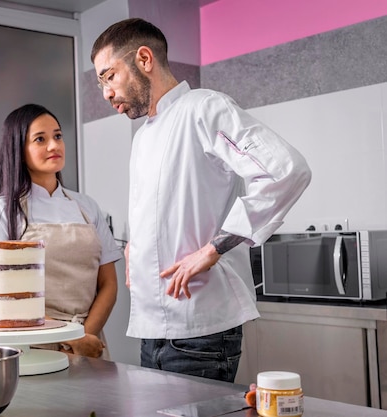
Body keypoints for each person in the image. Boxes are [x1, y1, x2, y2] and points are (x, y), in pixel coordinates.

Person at [91, 18, 311, 381]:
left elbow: (286, 170)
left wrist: (212, 249)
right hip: (151, 333)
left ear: (144, 59)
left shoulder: (204, 108)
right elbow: (168, 212)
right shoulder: (143, 137)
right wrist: (136, 247)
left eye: (109, 76)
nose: (106, 93)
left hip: (201, 335)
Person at [0, 103, 122, 359]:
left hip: (91, 345)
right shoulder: (0, 212)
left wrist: (86, 336)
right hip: (33, 346)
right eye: (40, 139)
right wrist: (71, 339)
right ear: (19, 151)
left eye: (57, 136)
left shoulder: (87, 206)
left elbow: (108, 283)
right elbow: (2, 296)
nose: (54, 145)